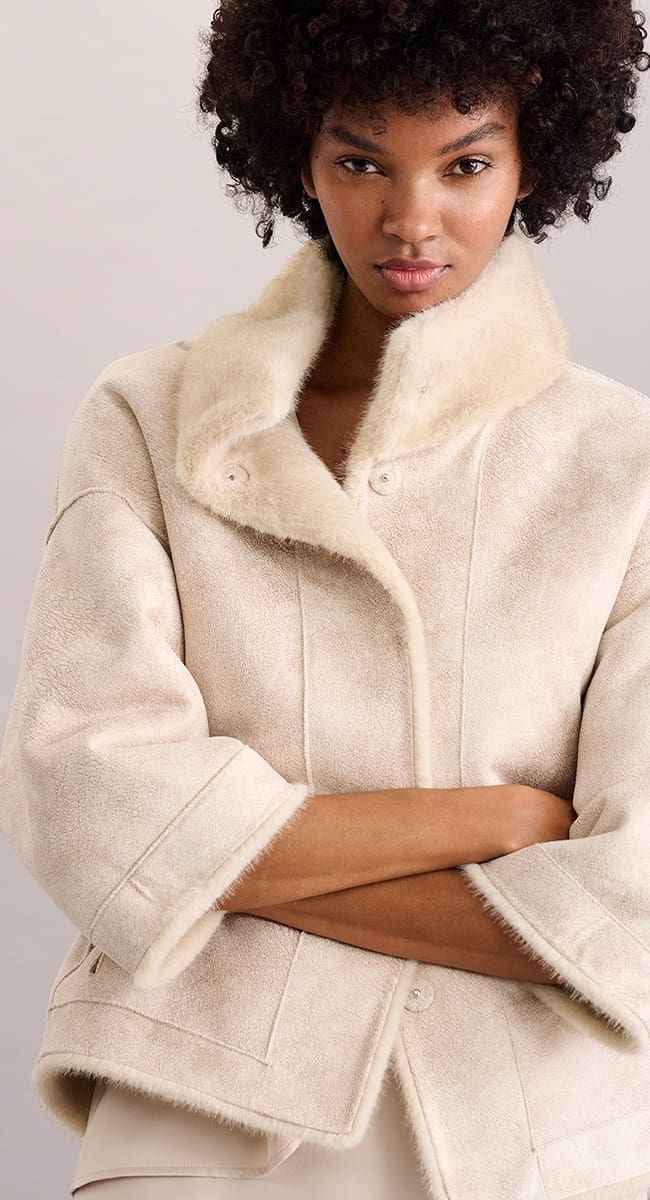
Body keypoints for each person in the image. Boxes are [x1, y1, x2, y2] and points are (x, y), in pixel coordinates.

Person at [2, 1, 650, 1197]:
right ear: (297, 157)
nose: (409, 218)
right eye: (360, 163)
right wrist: (491, 821)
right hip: (195, 1122)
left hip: (529, 1141)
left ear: (531, 163)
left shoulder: (621, 462)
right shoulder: (147, 418)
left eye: (464, 165)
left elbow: (635, 902)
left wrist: (221, 872)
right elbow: (85, 796)